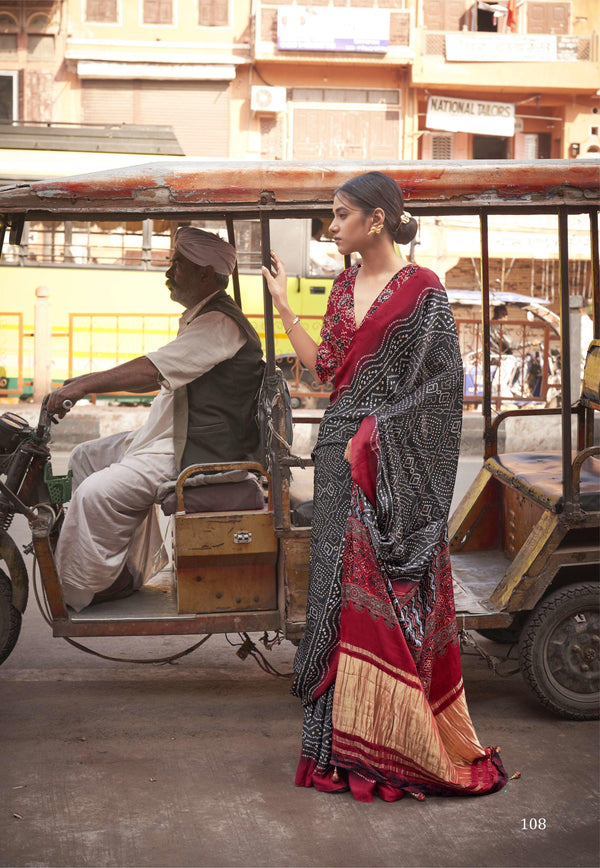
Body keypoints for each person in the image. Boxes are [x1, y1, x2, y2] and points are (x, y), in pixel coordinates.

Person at [262, 171, 508, 802]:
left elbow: (444, 389)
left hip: (391, 469)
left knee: (384, 601)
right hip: (339, 462)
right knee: (338, 602)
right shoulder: (344, 287)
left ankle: (397, 741)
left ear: (376, 220)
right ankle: (339, 744)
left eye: (340, 215)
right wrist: (287, 311)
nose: (332, 226)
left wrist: (377, 432)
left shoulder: (425, 294)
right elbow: (325, 371)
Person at [46, 228, 265, 611]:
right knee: (84, 457)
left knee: (94, 495)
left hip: (194, 447)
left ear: (204, 275)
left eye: (178, 263)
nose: (169, 270)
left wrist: (82, 388)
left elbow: (151, 370)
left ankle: (87, 586)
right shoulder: (203, 318)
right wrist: (82, 383)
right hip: (171, 433)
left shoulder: (220, 325)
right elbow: (158, 375)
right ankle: (120, 566)